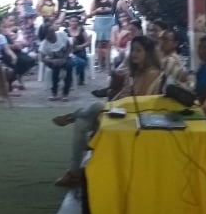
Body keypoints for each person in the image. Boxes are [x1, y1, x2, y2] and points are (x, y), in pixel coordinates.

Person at [51, 36, 163, 187]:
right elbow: (125, 94)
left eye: (139, 51)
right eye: (133, 50)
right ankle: (74, 172)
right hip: (122, 111)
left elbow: (140, 102)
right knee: (80, 124)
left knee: (97, 106)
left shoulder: (151, 73)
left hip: (134, 118)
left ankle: (72, 117)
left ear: (148, 53)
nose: (134, 54)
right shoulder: (135, 70)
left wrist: (117, 101)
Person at [39, 23, 72, 101]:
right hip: (53, 61)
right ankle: (54, 92)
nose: (53, 32)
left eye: (53, 30)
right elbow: (41, 58)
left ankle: (65, 93)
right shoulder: (44, 44)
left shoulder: (61, 35)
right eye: (50, 32)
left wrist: (64, 58)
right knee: (55, 69)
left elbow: (69, 46)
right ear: (46, 34)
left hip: (65, 57)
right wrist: (52, 61)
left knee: (69, 66)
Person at [89, 0, 115, 70]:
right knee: (99, 44)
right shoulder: (95, 0)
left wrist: (109, 9)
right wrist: (97, 10)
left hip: (109, 20)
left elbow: (115, 9)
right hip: (99, 21)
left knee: (108, 43)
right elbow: (90, 14)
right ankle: (100, 65)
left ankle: (107, 65)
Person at [65, 15, 89, 86]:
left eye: (76, 21)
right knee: (69, 60)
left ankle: (80, 77)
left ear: (78, 22)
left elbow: (88, 42)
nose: (74, 23)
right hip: (69, 51)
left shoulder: (81, 30)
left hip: (80, 49)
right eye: (72, 21)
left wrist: (81, 46)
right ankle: (70, 77)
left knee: (82, 57)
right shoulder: (65, 31)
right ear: (69, 22)